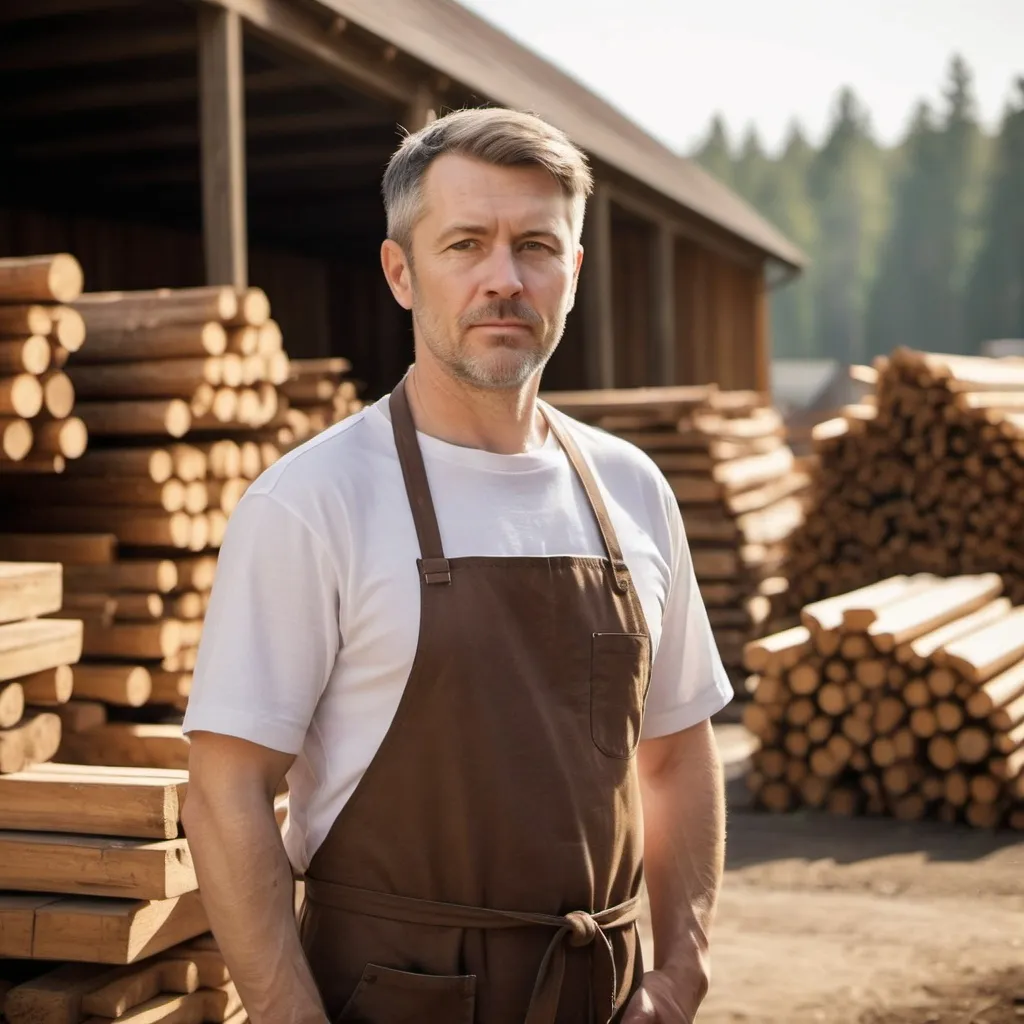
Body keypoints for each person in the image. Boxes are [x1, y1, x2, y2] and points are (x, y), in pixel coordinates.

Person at [182, 106, 731, 1024]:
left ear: (574, 271)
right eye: (465, 244)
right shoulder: (313, 502)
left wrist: (680, 973)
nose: (503, 280)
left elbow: (676, 756)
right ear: (401, 271)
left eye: (536, 247)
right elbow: (226, 792)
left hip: (599, 995)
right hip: (387, 997)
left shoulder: (633, 489)